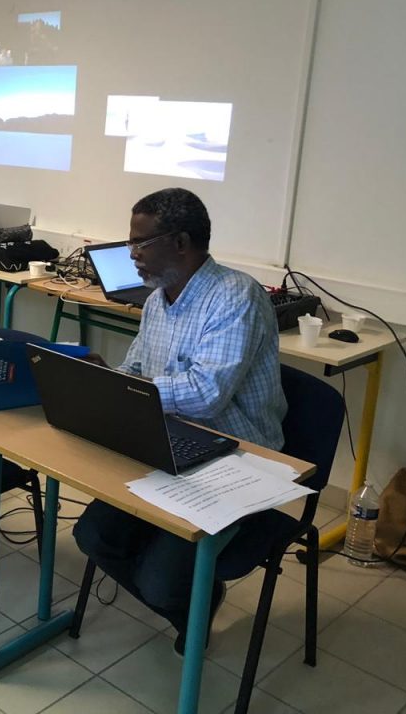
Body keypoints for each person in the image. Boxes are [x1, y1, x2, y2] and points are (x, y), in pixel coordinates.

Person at [73, 187, 287, 654]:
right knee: (92, 536)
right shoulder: (157, 300)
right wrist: (107, 382)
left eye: (140, 243)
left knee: (159, 582)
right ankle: (189, 605)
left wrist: (130, 392)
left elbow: (206, 395)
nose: (131, 255)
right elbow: (137, 368)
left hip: (235, 458)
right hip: (170, 441)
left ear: (181, 243)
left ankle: (191, 597)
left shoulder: (236, 297)